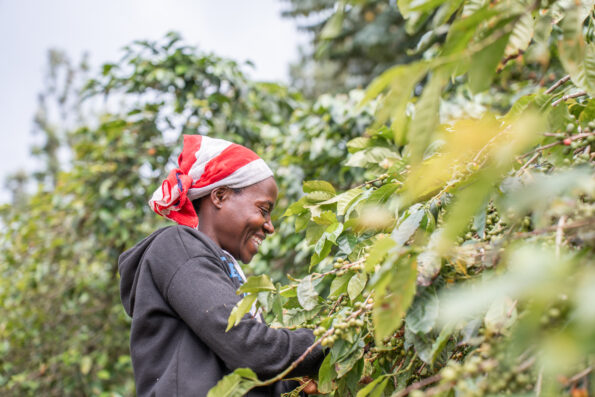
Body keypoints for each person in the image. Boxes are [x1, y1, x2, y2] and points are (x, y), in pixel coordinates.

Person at [118, 135, 325, 396]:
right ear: (219, 196)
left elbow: (246, 373)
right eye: (263, 209)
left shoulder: (225, 272)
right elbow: (249, 347)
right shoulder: (178, 246)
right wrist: (328, 343)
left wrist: (298, 386)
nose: (270, 226)